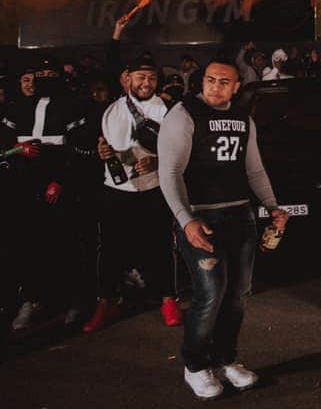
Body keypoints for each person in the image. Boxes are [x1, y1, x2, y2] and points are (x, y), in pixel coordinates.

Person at [158, 58, 289, 400]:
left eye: (223, 81)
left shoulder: (242, 119)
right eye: (210, 79)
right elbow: (169, 174)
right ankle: (195, 365)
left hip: (239, 216)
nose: (215, 85)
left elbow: (255, 170)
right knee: (210, 293)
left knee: (238, 294)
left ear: (236, 87)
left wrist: (273, 206)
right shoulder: (183, 115)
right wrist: (186, 221)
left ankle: (225, 359)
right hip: (202, 219)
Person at [83, 52, 182, 333]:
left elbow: (185, 152)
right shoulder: (111, 110)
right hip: (116, 189)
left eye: (151, 77)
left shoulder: (170, 110)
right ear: (128, 79)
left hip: (155, 188)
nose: (146, 82)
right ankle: (106, 302)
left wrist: (158, 161)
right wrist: (100, 152)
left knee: (161, 245)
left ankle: (168, 299)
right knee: (111, 249)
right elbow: (101, 147)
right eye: (140, 77)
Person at [2, 56, 88, 331]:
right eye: (37, 74)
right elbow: (3, 146)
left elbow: (78, 150)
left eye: (48, 74)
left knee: (64, 243)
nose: (41, 80)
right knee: (29, 244)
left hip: (60, 187)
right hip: (23, 187)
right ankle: (33, 300)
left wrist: (61, 180)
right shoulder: (15, 107)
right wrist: (19, 149)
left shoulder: (70, 106)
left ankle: (72, 302)